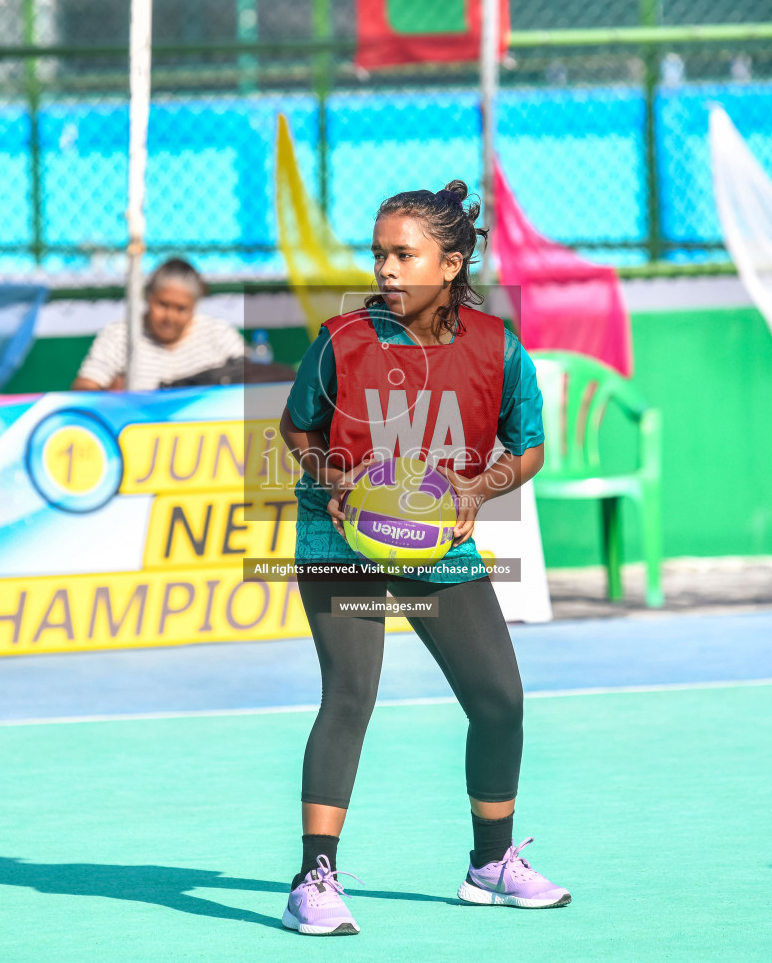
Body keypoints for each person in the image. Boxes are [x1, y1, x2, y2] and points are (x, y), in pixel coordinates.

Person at [276, 181, 567, 936]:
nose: (387, 269)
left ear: (452, 262)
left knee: (500, 700)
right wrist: (334, 479)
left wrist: (482, 485)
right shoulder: (342, 340)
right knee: (351, 693)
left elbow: (528, 446)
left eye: (404, 254)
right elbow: (297, 429)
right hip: (340, 539)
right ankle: (313, 879)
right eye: (379, 254)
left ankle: (491, 866)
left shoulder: (495, 346)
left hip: (438, 542)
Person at [72, 258, 247, 391]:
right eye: (162, 305)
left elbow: (252, 380)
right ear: (148, 297)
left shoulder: (219, 335)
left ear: (195, 306)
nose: (170, 317)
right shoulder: (119, 336)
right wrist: (109, 398)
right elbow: (85, 387)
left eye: (181, 309)